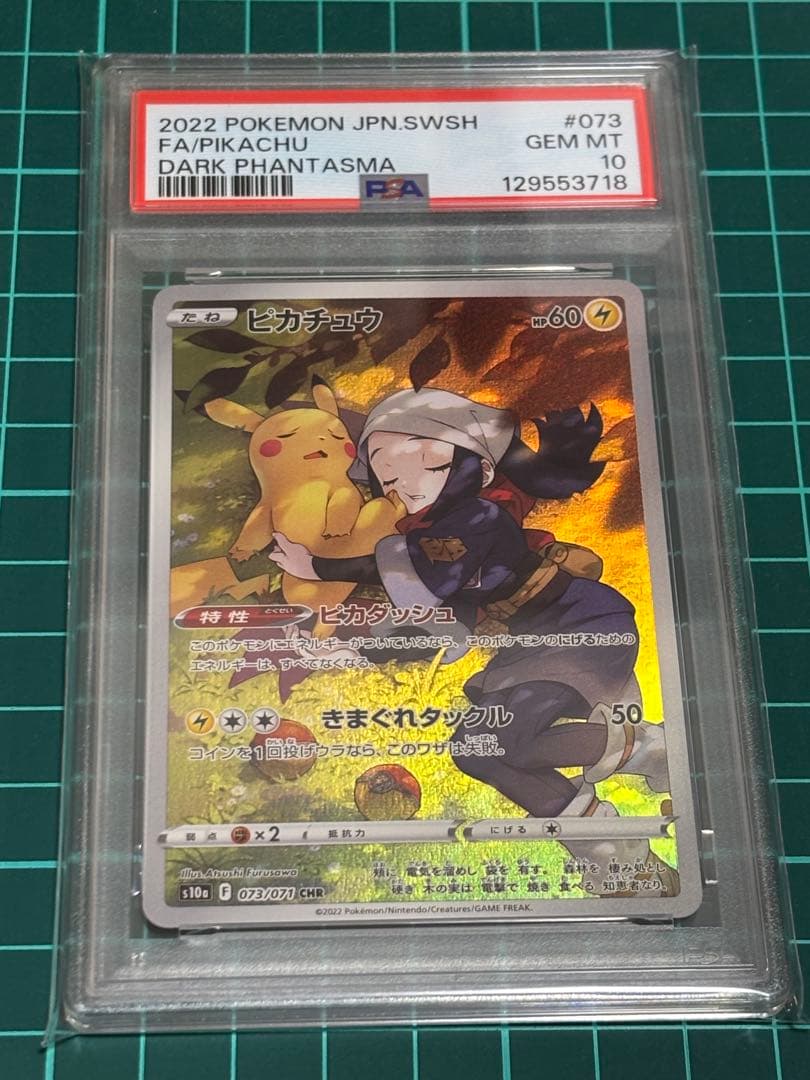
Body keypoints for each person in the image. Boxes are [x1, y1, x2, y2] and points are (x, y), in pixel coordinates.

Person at [272, 387, 676, 894]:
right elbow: (443, 624)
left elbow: (420, 577)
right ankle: (610, 842)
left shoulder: (475, 520)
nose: (406, 484)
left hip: (581, 627)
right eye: (389, 477)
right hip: (532, 645)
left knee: (499, 739)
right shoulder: (430, 541)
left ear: (482, 470)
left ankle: (650, 755)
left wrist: (317, 566)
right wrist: (355, 649)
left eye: (427, 465)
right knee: (475, 749)